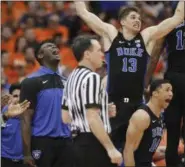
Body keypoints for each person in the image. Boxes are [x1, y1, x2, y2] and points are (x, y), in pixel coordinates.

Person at [75, 1, 184, 149]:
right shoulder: (111, 35)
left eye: (139, 18)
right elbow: (83, 13)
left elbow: (177, 18)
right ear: (123, 22)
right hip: (114, 104)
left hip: (137, 103)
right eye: (133, 17)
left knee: (137, 150)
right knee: (111, 150)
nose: (137, 20)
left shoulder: (146, 37)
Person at [62, 34, 122, 167]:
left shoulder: (70, 78)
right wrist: (111, 149)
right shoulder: (92, 77)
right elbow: (92, 117)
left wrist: (103, 111)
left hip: (77, 143)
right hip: (95, 143)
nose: (102, 54)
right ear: (87, 54)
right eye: (99, 50)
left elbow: (65, 117)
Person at [20, 40, 73, 167]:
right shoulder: (31, 81)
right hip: (42, 142)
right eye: (49, 46)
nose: (55, 47)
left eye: (55, 45)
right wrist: (26, 153)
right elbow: (25, 118)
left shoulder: (67, 82)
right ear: (40, 55)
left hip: (66, 142)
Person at [123, 79, 173, 167]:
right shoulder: (142, 116)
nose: (171, 94)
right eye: (167, 90)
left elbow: (146, 148)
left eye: (171, 91)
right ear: (155, 93)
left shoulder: (160, 116)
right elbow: (128, 151)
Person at [163, 20, 185, 167]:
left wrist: (146, 80)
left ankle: (172, 162)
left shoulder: (170, 25)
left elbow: (157, 51)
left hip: (173, 79)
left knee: (172, 128)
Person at [1, 83, 29, 167]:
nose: (19, 99)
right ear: (10, 97)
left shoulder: (31, 115)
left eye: (22, 96)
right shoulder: (3, 114)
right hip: (4, 160)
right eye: (15, 96)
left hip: (24, 161)